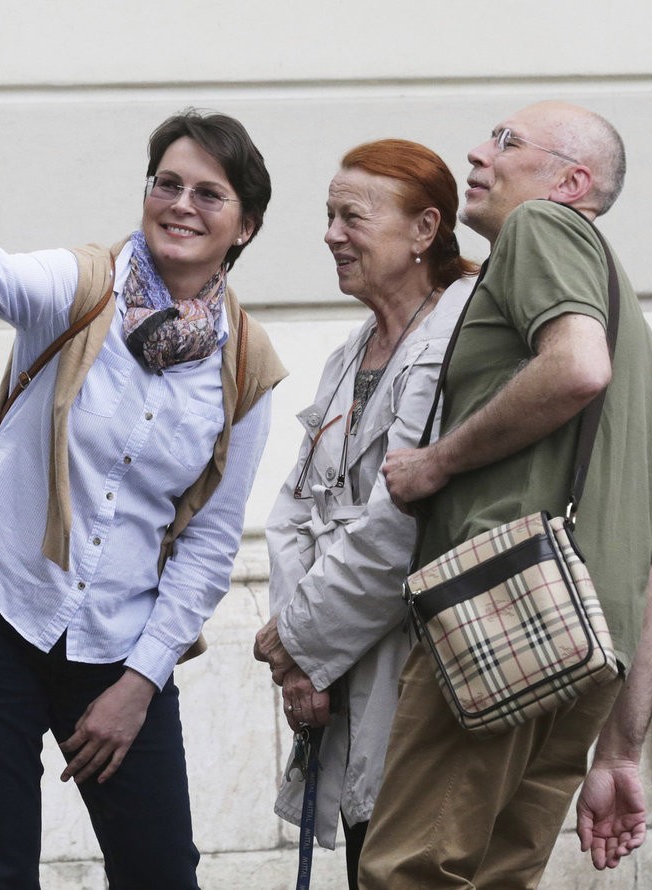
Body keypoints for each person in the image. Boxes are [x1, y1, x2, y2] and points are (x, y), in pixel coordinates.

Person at [0, 88, 285, 890]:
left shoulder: (246, 367)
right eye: (166, 183)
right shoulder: (83, 287)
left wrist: (140, 683)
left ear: (244, 225)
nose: (180, 204)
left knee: (160, 873)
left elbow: (212, 546)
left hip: (118, 646)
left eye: (208, 193)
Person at [364, 101, 652, 889]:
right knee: (498, 877)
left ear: (571, 183)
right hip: (590, 644)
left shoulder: (543, 228)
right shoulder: (625, 314)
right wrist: (622, 748)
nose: (478, 154)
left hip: (505, 613)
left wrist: (435, 464)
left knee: (411, 871)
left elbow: (574, 367)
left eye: (506, 142)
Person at [252, 138, 479, 888]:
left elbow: (396, 526)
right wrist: (300, 658)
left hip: (411, 670)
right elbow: (293, 512)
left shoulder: (457, 340)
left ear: (425, 231)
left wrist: (299, 643)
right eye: (328, 215)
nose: (330, 234)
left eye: (353, 216)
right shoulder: (351, 352)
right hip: (337, 666)